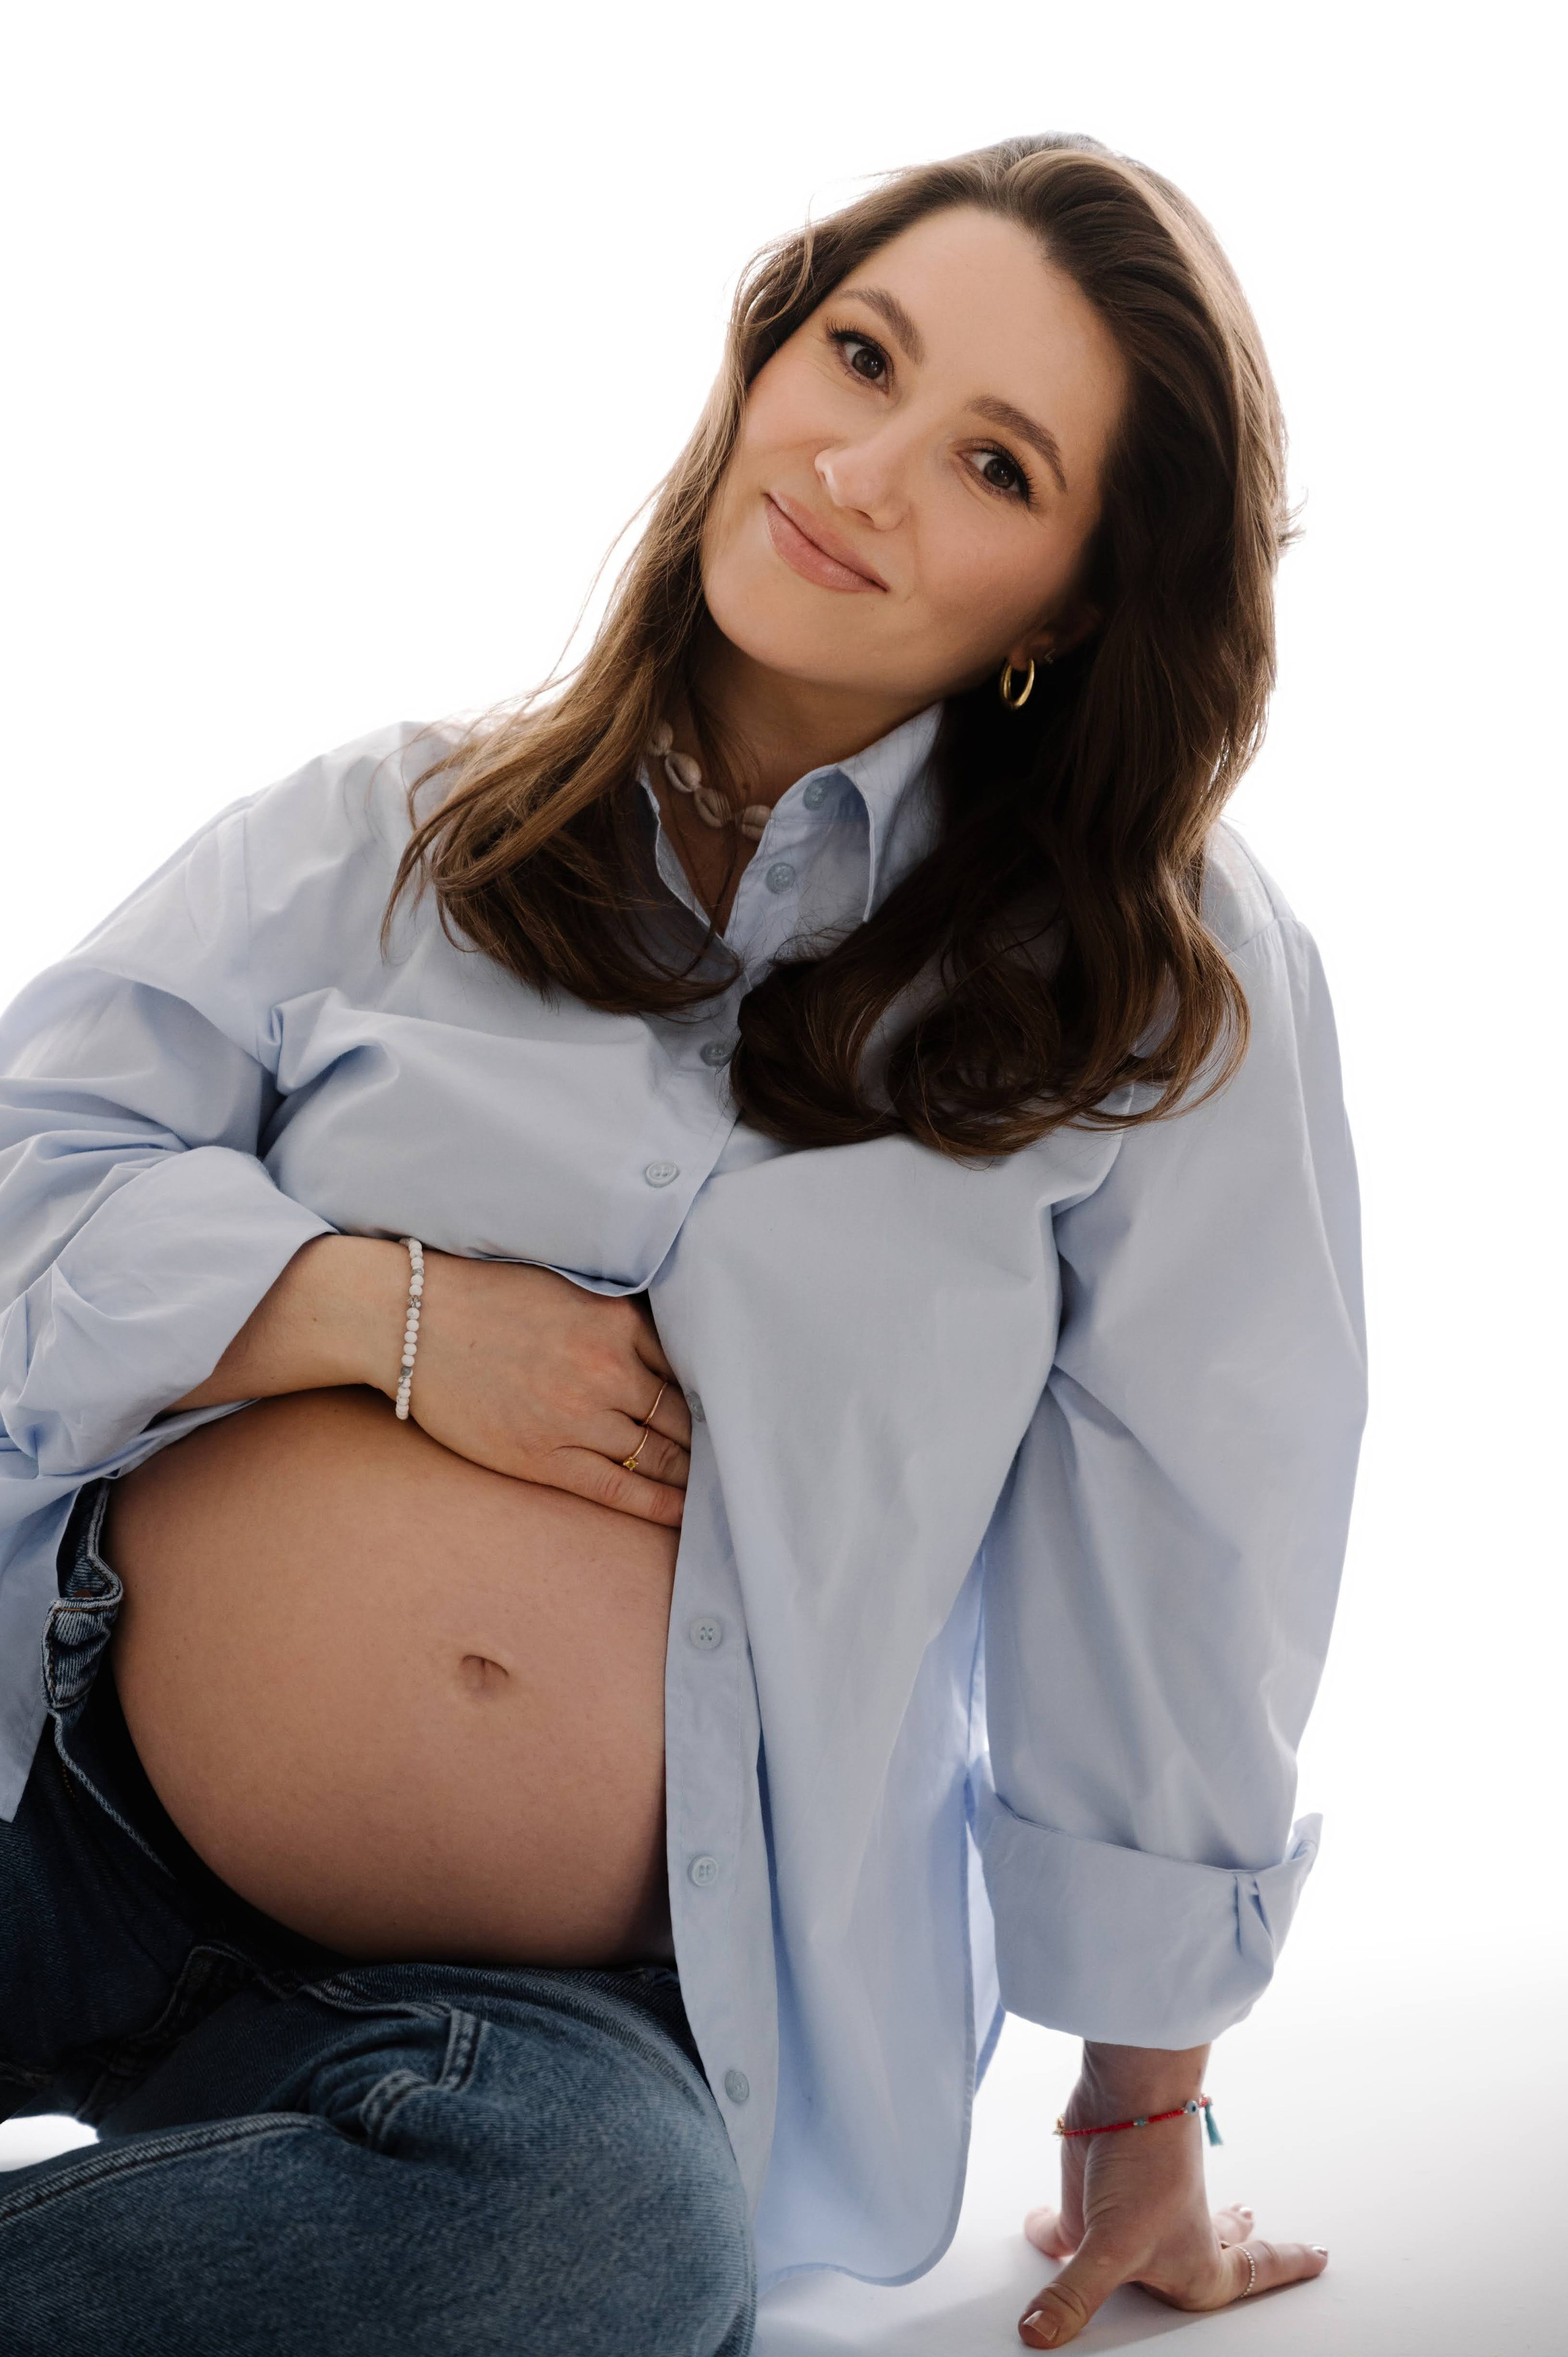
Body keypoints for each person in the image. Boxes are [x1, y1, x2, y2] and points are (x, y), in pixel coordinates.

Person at [0, 133, 1365, 2355]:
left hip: (534, 2019)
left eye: (995, 463)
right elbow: (25, 1172)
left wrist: (1145, 2103)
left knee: (602, 2260)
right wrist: (376, 1315)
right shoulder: (392, 830)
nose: (865, 468)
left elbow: (1200, 1526)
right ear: (765, 355)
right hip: (54, 1779)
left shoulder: (1161, 986)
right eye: (860, 356)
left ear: (1082, 599)